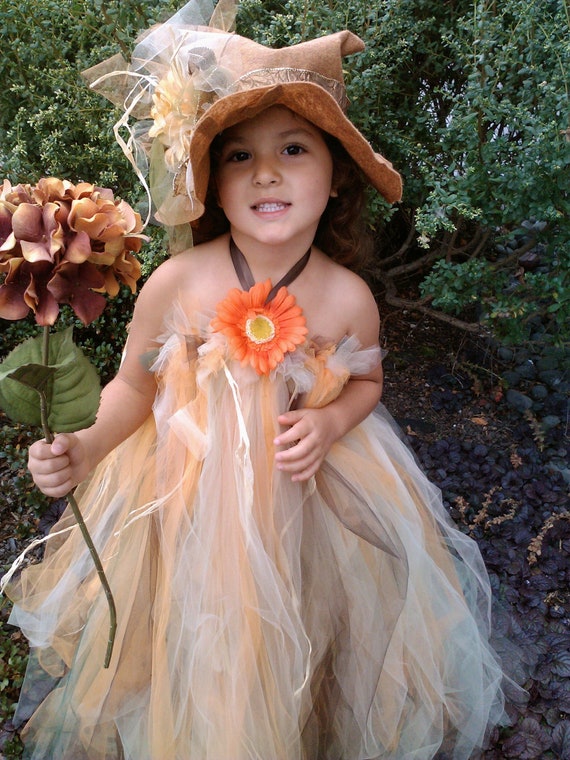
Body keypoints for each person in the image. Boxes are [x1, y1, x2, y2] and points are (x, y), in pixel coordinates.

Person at [6, 2, 515, 758]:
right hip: (188, 506)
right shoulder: (177, 284)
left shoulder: (347, 297)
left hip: (314, 505)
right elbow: (136, 390)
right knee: (202, 641)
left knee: (310, 630)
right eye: (239, 154)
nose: (267, 170)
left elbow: (366, 386)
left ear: (337, 175)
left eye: (294, 149)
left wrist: (332, 423)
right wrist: (83, 446)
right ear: (210, 181)